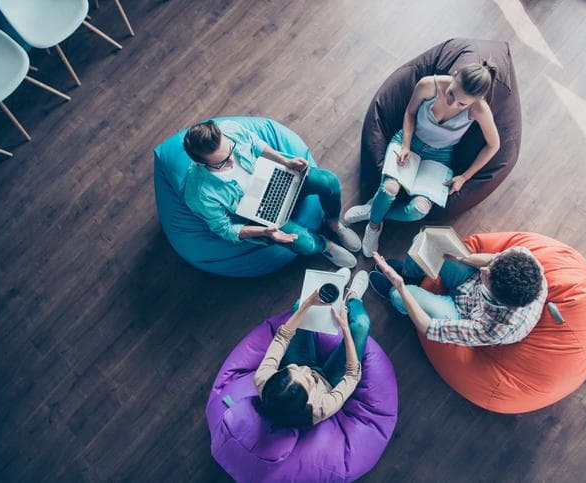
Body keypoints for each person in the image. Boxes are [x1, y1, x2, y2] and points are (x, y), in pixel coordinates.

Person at [345, 62, 501, 257]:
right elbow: (410, 113)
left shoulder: (480, 110)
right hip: (409, 140)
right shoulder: (428, 85)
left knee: (419, 210)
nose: (453, 103)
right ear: (454, 74)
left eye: (462, 104)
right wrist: (406, 146)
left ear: (477, 100)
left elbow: (494, 145)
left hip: (440, 155)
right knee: (389, 188)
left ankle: (374, 210)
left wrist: (464, 177)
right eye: (451, 93)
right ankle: (374, 226)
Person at [183, 119, 361, 268]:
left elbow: (255, 143)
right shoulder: (199, 194)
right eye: (221, 163)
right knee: (304, 244)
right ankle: (325, 245)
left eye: (230, 149)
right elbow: (226, 229)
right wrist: (265, 231)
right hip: (258, 214)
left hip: (274, 177)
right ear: (201, 163)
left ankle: (333, 224)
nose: (231, 160)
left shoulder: (230, 129)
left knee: (329, 181)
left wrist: (286, 161)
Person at [254, 269, 371, 428]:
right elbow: (352, 375)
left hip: (300, 358)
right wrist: (345, 327)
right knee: (361, 325)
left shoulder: (263, 379)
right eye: (308, 379)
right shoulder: (319, 409)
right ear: (307, 401)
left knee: (298, 305)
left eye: (292, 369)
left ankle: (331, 292)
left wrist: (308, 303)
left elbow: (282, 337)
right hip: (329, 380)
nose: (306, 370)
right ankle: (353, 298)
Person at [369, 244, 547, 346]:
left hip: (462, 314)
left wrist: (399, 286)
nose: (484, 269)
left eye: (488, 276)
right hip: (470, 282)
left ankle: (393, 292)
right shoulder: (525, 260)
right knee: (426, 245)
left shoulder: (494, 329)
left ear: (496, 296)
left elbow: (428, 327)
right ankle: (410, 272)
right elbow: (492, 260)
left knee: (403, 295)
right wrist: (462, 258)